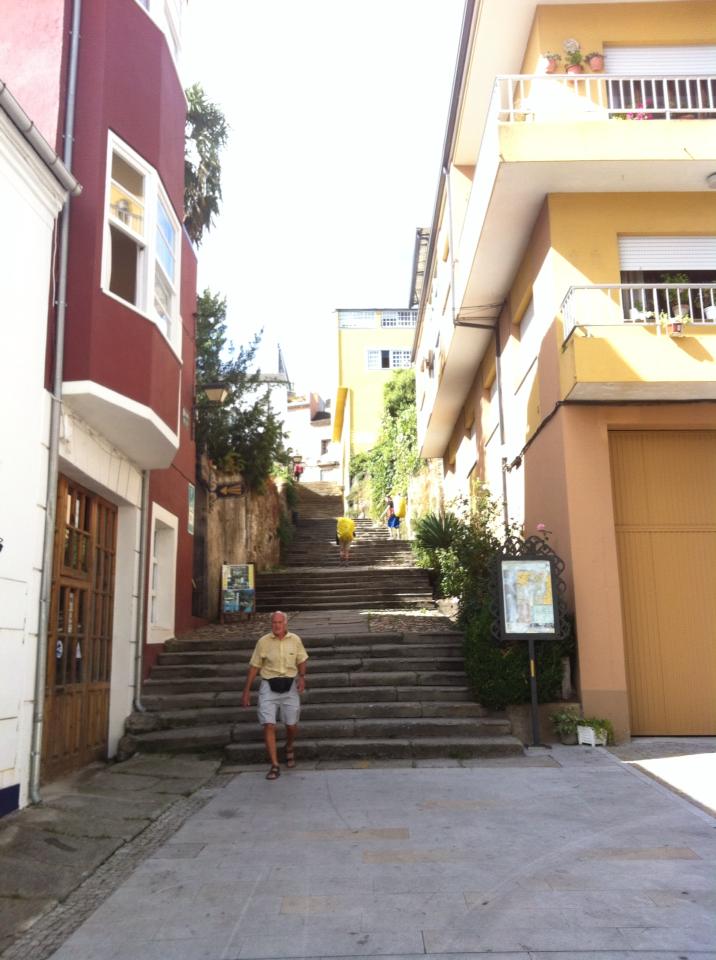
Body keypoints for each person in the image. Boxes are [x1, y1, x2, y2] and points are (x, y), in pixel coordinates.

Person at [241, 610, 308, 780]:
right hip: (268, 686)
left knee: (291, 725)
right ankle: (275, 764)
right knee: (269, 724)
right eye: (274, 622)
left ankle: (289, 746)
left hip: (289, 686)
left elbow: (302, 659)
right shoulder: (263, 642)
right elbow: (254, 667)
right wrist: (246, 691)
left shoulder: (295, 640)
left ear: (285, 623)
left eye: (279, 622)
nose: (277, 625)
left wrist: (302, 677)